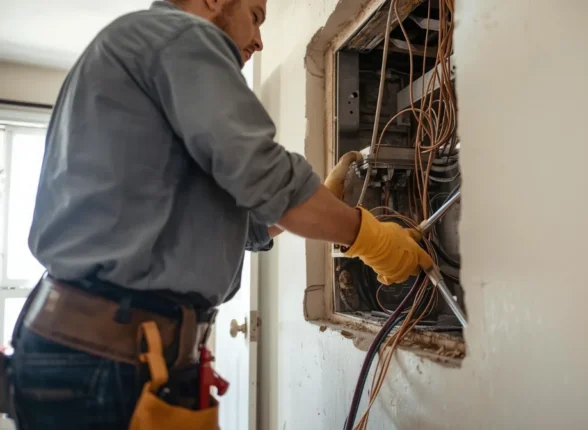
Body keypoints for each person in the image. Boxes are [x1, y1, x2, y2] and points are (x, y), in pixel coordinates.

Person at [6, 0, 433, 428]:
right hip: (108, 363)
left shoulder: (139, 48)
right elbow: (265, 176)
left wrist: (323, 200)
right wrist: (373, 240)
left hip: (98, 353)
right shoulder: (178, 36)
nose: (259, 40)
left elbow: (233, 222)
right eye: (255, 16)